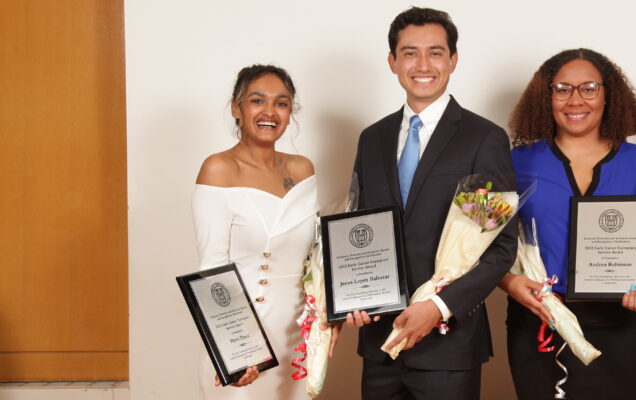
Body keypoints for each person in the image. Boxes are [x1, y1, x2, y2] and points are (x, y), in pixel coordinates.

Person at [346, 7, 517, 400]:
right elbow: (359, 231)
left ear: (453, 60)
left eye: (435, 52)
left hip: (448, 348)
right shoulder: (371, 139)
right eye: (409, 53)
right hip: (379, 343)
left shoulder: (482, 139)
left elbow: (498, 248)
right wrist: (353, 297)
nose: (423, 65)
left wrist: (439, 306)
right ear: (392, 62)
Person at [500, 48, 636, 400]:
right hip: (536, 326)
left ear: (609, 94)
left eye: (589, 88)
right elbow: (484, 246)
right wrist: (509, 282)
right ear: (545, 97)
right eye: (562, 89)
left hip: (616, 330)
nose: (575, 100)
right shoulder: (517, 163)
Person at [192, 64, 340, 399]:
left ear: (291, 111)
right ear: (236, 108)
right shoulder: (218, 169)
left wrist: (333, 310)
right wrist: (235, 354)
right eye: (257, 101)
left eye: (282, 103)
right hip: (241, 333)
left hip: (298, 333)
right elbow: (211, 267)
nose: (270, 112)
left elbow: (315, 257)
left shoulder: (302, 169)